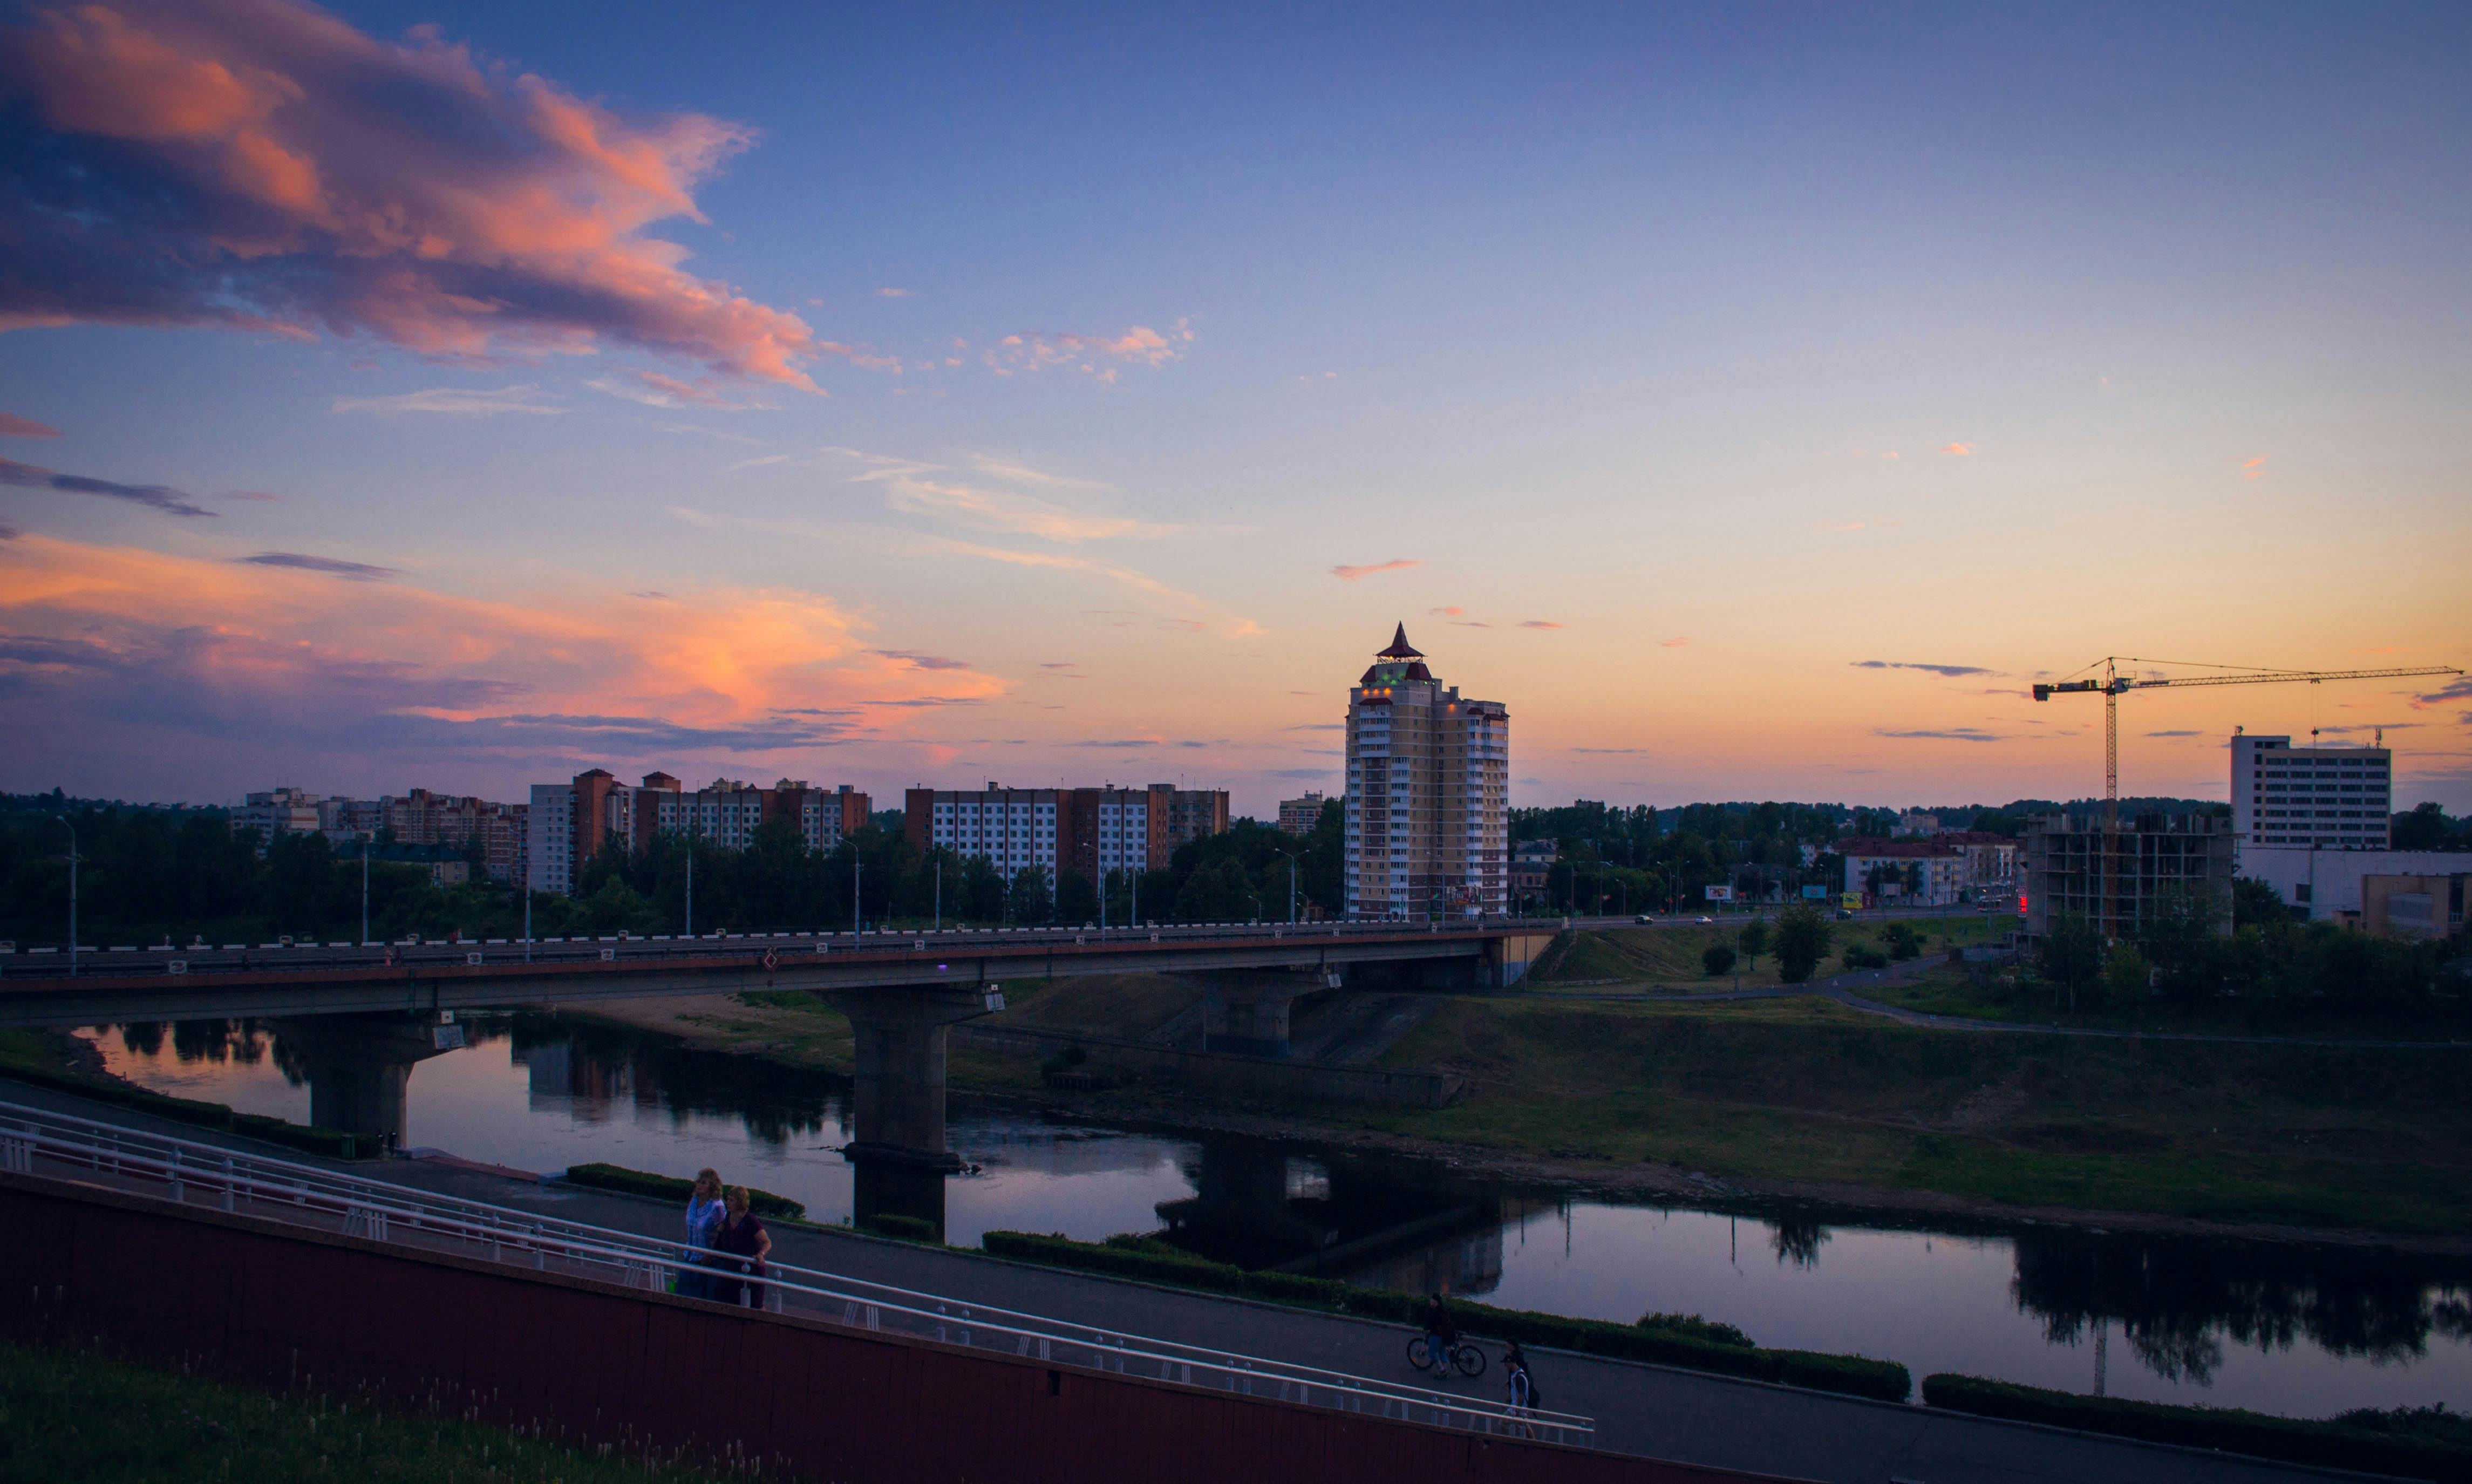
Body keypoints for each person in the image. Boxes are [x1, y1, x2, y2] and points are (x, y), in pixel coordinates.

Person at [710, 1185, 773, 1309]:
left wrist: (761, 1254)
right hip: (732, 1266)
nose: (728, 1203)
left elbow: (767, 1242)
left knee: (755, 1305)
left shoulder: (750, 1220)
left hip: (751, 1269)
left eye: (732, 1200)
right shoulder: (728, 1217)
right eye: (728, 1199)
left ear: (740, 1202)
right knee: (720, 1295)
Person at [679, 1168, 724, 1301]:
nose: (699, 1185)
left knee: (699, 1296)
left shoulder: (717, 1207)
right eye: (698, 1182)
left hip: (705, 1259)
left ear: (712, 1186)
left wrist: (710, 1254)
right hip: (689, 1254)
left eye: (704, 1183)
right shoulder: (694, 1201)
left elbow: (721, 1232)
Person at [1503, 1342, 1539, 1437]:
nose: (1505, 1366)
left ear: (1511, 1363)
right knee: (1524, 1425)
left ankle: (1507, 1442)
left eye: (1506, 1363)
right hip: (1518, 1407)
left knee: (1503, 1423)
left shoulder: (1519, 1377)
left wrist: (1517, 1409)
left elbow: (1521, 1395)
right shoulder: (1515, 1374)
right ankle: (1533, 1442)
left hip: (1518, 1408)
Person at [1422, 1292, 1458, 1375]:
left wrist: (1425, 1329)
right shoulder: (1444, 1310)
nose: (1430, 1301)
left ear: (1435, 1302)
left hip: (1437, 1334)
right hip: (1446, 1335)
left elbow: (1430, 1323)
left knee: (1432, 1352)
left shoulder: (1435, 1311)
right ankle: (1445, 1368)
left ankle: (1442, 1370)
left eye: (1432, 1300)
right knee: (1442, 1351)